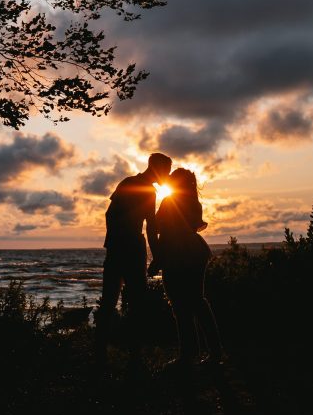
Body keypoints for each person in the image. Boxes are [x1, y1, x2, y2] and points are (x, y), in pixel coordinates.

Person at [95, 151, 172, 365]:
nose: (168, 175)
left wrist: (114, 240)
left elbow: (110, 214)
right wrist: (156, 256)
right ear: (158, 169)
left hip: (119, 246)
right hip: (129, 246)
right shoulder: (142, 187)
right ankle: (132, 354)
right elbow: (151, 226)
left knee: (111, 298)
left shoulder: (129, 182)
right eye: (167, 170)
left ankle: (106, 351)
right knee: (135, 301)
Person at [151, 167, 223, 368]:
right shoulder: (194, 203)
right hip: (196, 251)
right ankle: (213, 351)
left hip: (178, 253)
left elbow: (162, 231)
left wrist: (157, 261)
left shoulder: (169, 202)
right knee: (197, 301)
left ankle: (189, 355)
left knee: (181, 305)